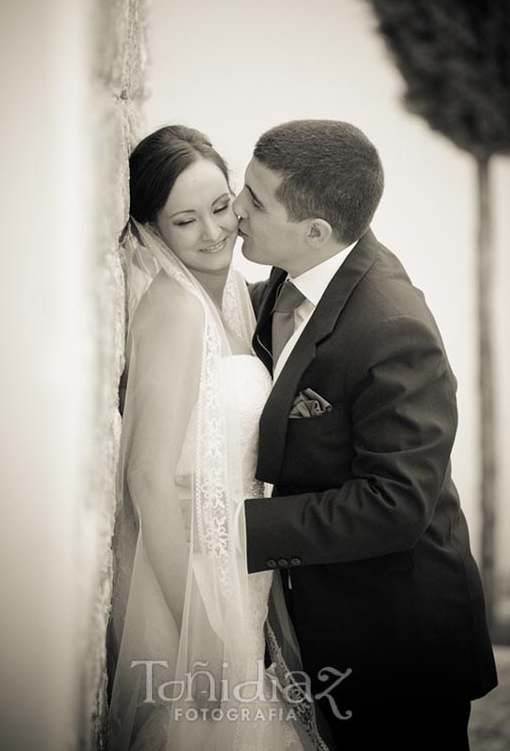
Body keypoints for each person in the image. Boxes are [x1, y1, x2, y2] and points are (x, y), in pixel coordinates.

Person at [233, 119, 498, 751]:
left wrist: (231, 530)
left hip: (397, 643)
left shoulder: (392, 329)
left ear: (315, 231)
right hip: (327, 619)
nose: (235, 209)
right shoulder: (300, 271)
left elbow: (395, 505)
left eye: (254, 200)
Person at [106, 125, 330, 751]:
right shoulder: (174, 310)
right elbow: (147, 478)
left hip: (241, 570)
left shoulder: (232, 298)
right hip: (195, 583)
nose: (212, 232)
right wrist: (197, 631)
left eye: (220, 206)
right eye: (184, 221)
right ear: (152, 231)